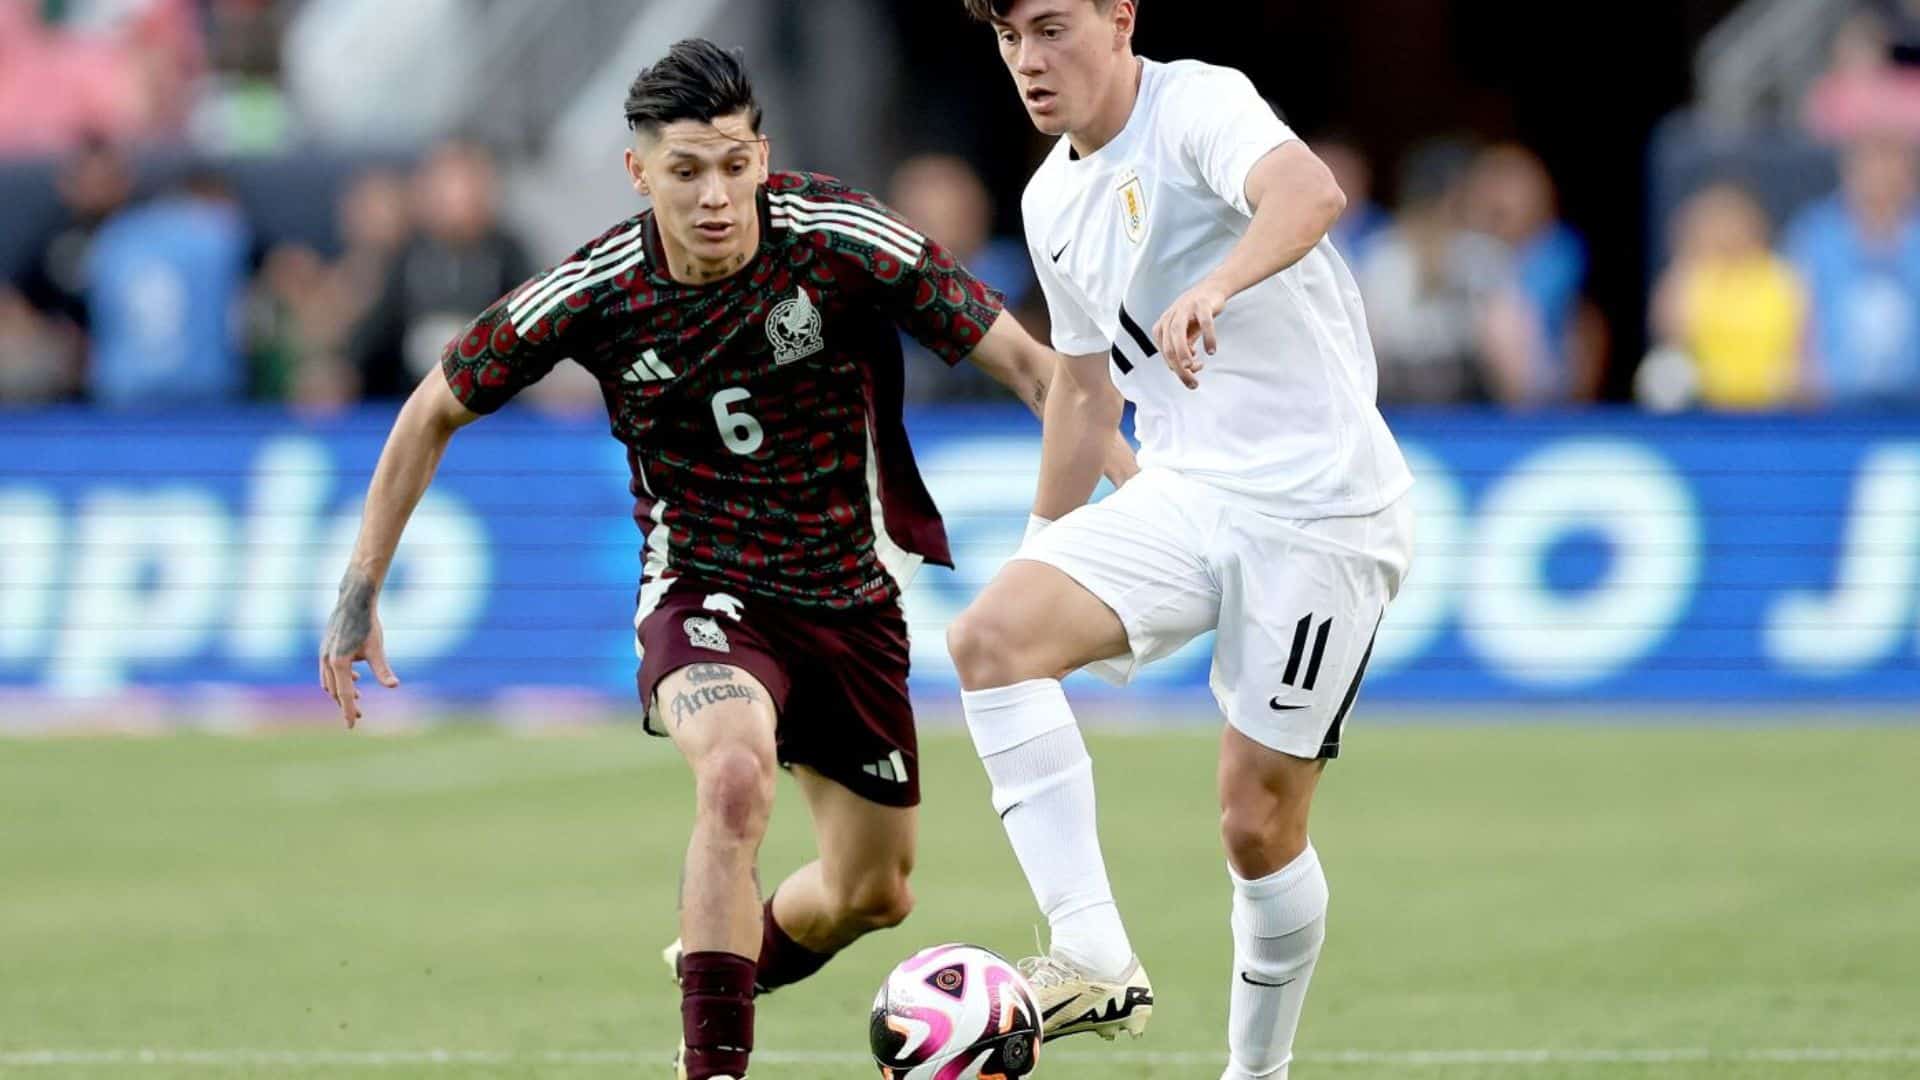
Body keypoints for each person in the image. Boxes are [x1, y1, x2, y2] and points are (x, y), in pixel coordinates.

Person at [317, 39, 1131, 1080]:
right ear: (639, 172)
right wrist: (361, 588)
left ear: (764, 154)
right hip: (706, 591)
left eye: (736, 165)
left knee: (874, 892)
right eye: (688, 170)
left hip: (850, 598)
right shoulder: (594, 289)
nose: (715, 196)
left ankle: (718, 956)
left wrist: (1146, 497)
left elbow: (1032, 368)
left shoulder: (838, 235)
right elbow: (432, 408)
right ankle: (713, 1059)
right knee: (736, 778)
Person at [947, 3, 1413, 1078]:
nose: (1028, 59)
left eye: (1051, 28)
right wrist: (1041, 553)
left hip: (1322, 507)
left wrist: (1217, 282)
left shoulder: (1198, 101)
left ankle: (1257, 1073)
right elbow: (1078, 391)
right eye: (1010, 37)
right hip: (1191, 486)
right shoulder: (1050, 195)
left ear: (1120, 17)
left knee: (1255, 827)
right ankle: (1093, 955)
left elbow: (1311, 191)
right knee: (992, 640)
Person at [1644, 182, 1807, 411]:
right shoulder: (1695, 273)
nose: (1726, 232)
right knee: (1663, 369)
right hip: (1705, 396)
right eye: (1716, 224)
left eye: (1732, 222)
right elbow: (1668, 333)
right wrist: (1687, 261)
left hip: (1772, 394)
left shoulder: (1778, 275)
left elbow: (1800, 339)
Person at [1784, 134, 1920, 406]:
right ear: (1849, 171)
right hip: (1833, 400)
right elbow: (1795, 311)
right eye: (1871, 163)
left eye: (1892, 163)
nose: (1881, 175)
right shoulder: (1813, 234)